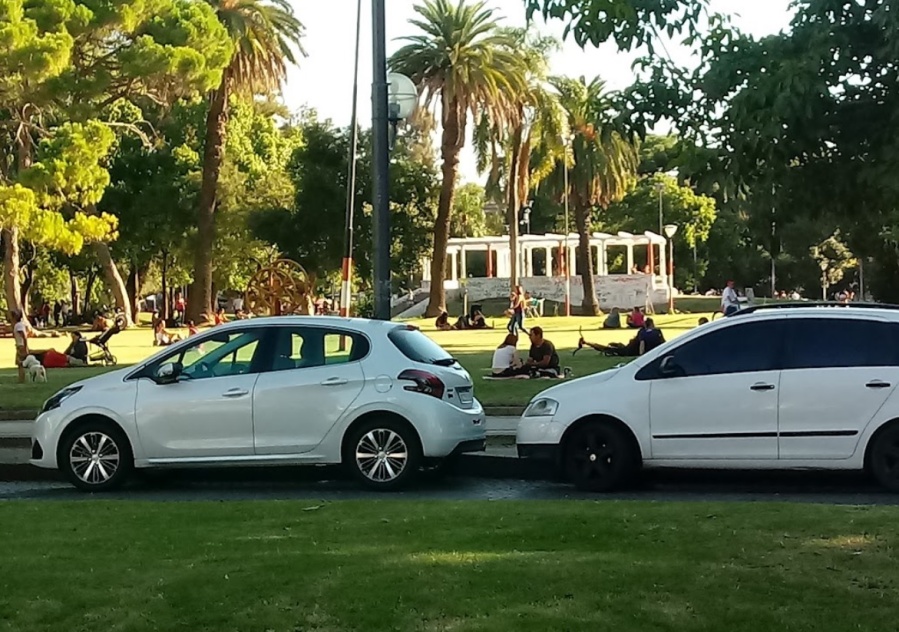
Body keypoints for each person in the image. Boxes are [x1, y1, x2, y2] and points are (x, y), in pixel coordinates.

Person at [11, 310, 28, 383]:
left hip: (20, 346)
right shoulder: (20, 324)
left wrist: (25, 346)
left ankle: (22, 379)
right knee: (19, 363)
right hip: (20, 345)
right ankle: (21, 378)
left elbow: (23, 336)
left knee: (20, 363)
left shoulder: (18, 325)